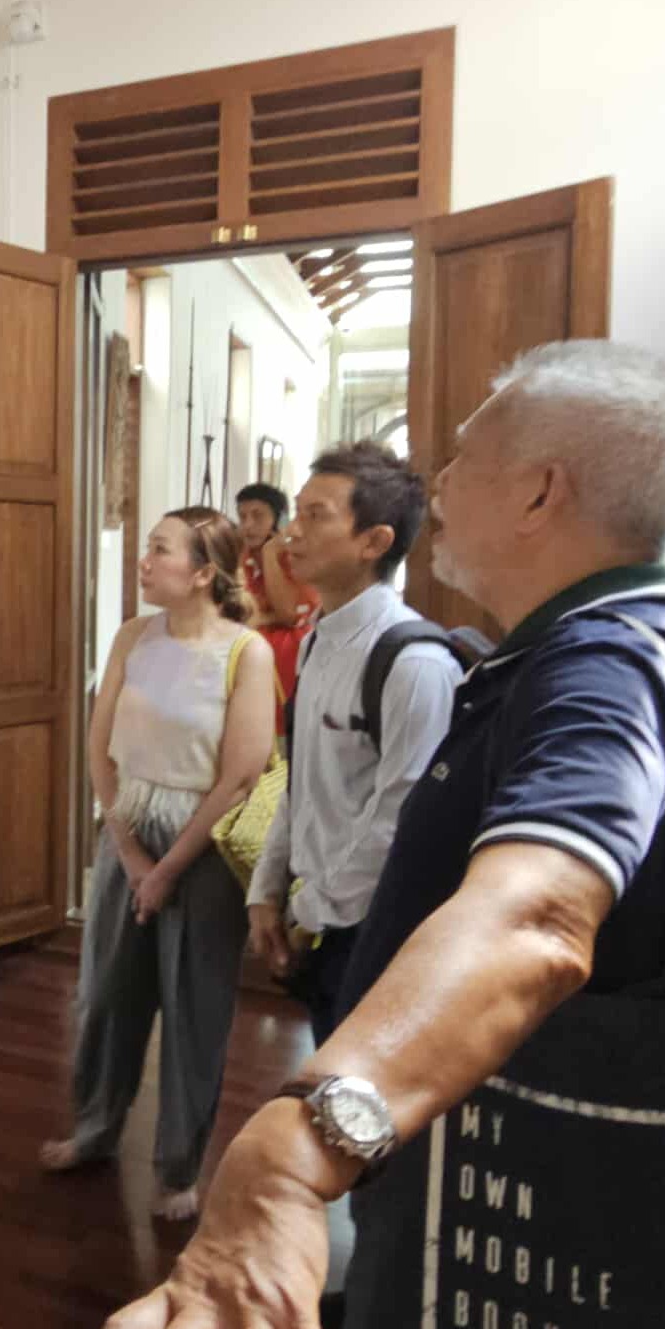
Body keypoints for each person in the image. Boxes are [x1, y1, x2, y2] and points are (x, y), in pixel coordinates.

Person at [72, 341, 665, 1329]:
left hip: (544, 1271)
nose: (436, 480)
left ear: (541, 489)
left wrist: (303, 1144)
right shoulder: (591, 650)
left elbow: (537, 911)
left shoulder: (605, 667)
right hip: (504, 1230)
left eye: (462, 454)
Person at [41, 508, 275, 1221]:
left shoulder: (245, 652)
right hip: (128, 824)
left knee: (194, 1007)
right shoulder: (132, 637)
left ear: (203, 573)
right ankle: (94, 1130)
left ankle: (178, 1168)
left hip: (201, 844)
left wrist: (168, 867)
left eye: (160, 550)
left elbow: (241, 775)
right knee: (106, 995)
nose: (144, 560)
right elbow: (98, 745)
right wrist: (130, 850)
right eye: (148, 547)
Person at [246, 443, 458, 1045]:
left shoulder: (414, 663)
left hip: (376, 928)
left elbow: (399, 821)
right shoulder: (318, 641)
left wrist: (307, 915)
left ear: (374, 541)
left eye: (317, 516)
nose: (292, 532)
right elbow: (302, 781)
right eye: (297, 512)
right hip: (319, 915)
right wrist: (267, 888)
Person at [236, 482, 318, 731]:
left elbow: (289, 615)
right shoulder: (240, 556)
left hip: (286, 664)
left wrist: (270, 554)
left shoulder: (299, 558)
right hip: (248, 667)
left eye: (258, 516)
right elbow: (236, 613)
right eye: (242, 516)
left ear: (280, 519)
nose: (247, 525)